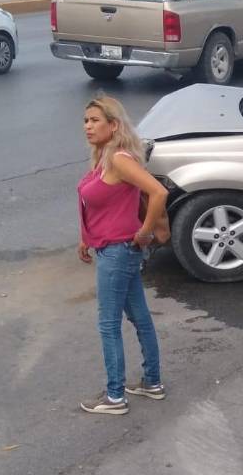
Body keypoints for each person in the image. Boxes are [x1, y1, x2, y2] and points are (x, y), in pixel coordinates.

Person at [78, 95, 168, 415]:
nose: (88, 127)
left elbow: (158, 192)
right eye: (86, 121)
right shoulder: (104, 157)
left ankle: (115, 396)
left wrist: (144, 232)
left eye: (95, 121)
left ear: (113, 125)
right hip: (114, 248)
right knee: (140, 317)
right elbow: (104, 205)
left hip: (118, 252)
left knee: (108, 324)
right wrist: (86, 238)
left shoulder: (118, 159)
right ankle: (152, 382)